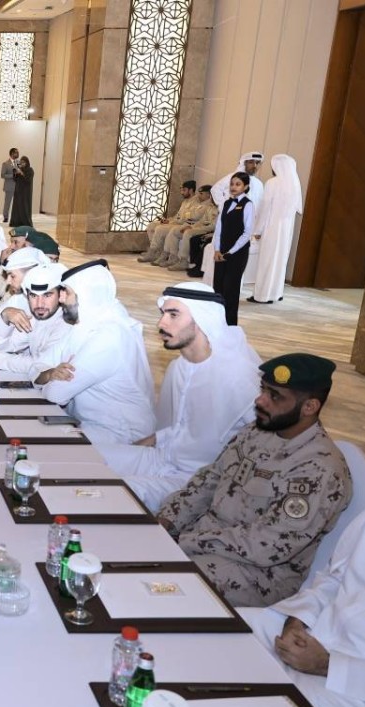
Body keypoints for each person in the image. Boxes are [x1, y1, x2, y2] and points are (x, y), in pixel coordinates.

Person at [238, 438, 365, 707]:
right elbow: (335, 578)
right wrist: (297, 620)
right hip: (315, 633)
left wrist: (328, 665)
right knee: (216, 633)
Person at [157, 353, 352, 607]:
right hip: (205, 543)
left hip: (258, 575)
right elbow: (209, 480)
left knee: (160, 588)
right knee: (133, 556)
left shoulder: (319, 469)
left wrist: (187, 541)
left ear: (309, 407)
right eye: (264, 389)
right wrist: (167, 521)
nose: (260, 400)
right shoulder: (258, 431)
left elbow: (267, 544)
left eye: (275, 396)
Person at [98, 283, 261, 510]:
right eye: (163, 314)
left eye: (173, 315)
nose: (161, 324)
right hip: (164, 458)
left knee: (107, 494)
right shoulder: (179, 367)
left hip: (197, 481)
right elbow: (184, 428)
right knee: (82, 457)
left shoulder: (238, 377)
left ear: (202, 319)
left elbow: (267, 442)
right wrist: (144, 444)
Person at [40, 259, 155, 445]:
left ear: (87, 295)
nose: (60, 299)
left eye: (67, 292)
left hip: (120, 435)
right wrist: (49, 374)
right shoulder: (86, 324)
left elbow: (56, 394)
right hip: (89, 425)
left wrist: (48, 377)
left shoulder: (110, 336)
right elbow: (42, 362)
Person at [0, 262, 72, 379]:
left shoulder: (66, 323)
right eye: (33, 296)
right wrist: (5, 316)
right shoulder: (37, 315)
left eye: (47, 295)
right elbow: (8, 345)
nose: (40, 304)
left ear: (61, 295)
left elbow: (41, 365)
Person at [249, 154, 303, 304]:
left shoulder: (272, 183)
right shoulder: (294, 184)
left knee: (267, 262)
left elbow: (265, 208)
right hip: (286, 231)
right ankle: (276, 293)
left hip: (271, 228)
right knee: (280, 261)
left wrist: (257, 230)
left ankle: (262, 296)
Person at [212, 172, 257, 325]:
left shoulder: (248, 205)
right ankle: (217, 321)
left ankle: (230, 324)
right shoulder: (226, 204)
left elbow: (247, 233)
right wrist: (217, 250)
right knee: (218, 287)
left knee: (230, 289)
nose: (233, 187)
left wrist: (230, 252)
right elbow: (219, 228)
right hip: (221, 252)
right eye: (232, 184)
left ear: (246, 186)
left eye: (238, 184)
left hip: (237, 253)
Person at [137, 180, 197, 263]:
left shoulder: (196, 202)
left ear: (191, 190)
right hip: (176, 222)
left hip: (183, 225)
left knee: (160, 228)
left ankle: (154, 252)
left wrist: (171, 222)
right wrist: (168, 220)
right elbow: (177, 216)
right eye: (181, 190)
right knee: (152, 225)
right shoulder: (185, 201)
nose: (182, 192)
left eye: (184, 190)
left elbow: (185, 219)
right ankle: (156, 251)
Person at [164, 186, 217, 272]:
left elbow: (213, 226)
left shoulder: (220, 207)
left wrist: (193, 228)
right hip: (200, 227)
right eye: (212, 195)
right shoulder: (210, 206)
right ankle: (173, 257)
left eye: (214, 195)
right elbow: (201, 220)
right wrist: (191, 227)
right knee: (176, 231)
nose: (212, 197)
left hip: (209, 230)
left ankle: (184, 261)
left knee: (188, 233)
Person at [8, 156, 36, 228]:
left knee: (24, 207)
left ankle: (26, 222)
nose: (22, 163)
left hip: (25, 193)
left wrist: (22, 173)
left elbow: (28, 180)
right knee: (17, 207)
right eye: (21, 162)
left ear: (27, 162)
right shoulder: (19, 169)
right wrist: (15, 173)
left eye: (23, 162)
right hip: (18, 192)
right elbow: (15, 179)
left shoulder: (30, 170)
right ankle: (16, 222)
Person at [0, 148, 19, 219]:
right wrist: (13, 175)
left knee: (17, 203)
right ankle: (5, 216)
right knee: (7, 202)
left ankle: (16, 217)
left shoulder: (18, 163)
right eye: (16, 153)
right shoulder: (5, 164)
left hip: (18, 186)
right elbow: (2, 175)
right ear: (12, 153)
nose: (18, 154)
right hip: (9, 187)